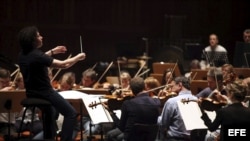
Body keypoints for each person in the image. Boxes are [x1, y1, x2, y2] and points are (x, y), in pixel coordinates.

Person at [18, 26, 86, 141]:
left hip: (31, 93)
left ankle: (49, 138)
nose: (41, 37)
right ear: (33, 40)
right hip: (45, 92)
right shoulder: (37, 55)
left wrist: (53, 51)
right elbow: (64, 64)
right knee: (71, 113)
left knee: (50, 111)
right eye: (39, 35)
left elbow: (39, 59)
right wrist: (78, 58)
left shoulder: (23, 54)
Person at [158, 76, 197, 141]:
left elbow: (163, 123)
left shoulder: (172, 101)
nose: (170, 90)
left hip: (174, 138)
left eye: (172, 86)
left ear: (179, 85)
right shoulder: (196, 100)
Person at [0, 68, 17, 140]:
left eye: (7, 82)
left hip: (8, 125)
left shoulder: (13, 91)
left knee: (11, 136)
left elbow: (19, 113)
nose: (4, 84)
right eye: (2, 82)